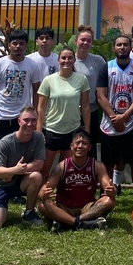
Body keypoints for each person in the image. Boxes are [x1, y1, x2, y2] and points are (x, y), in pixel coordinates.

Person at [97, 34, 133, 201]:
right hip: (109, 124)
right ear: (114, 48)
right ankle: (106, 196)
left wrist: (125, 116)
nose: (122, 47)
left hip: (132, 123)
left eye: (125, 44)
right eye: (118, 44)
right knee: (107, 164)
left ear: (130, 46)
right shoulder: (106, 67)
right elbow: (100, 96)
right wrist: (114, 118)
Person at [0, 29, 43, 174]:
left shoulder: (32, 65)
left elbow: (36, 91)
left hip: (21, 118)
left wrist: (34, 115)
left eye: (21, 44)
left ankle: (15, 189)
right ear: (9, 45)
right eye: (14, 43)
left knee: (21, 154)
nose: (18, 47)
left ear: (25, 46)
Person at [37, 129, 116, 231]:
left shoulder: (97, 166)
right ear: (71, 146)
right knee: (43, 205)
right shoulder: (61, 167)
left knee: (109, 201)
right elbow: (42, 193)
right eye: (77, 143)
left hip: (87, 208)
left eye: (84, 143)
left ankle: (67, 222)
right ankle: (82, 224)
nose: (80, 146)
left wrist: (112, 191)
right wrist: (42, 194)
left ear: (89, 147)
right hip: (64, 207)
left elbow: (109, 188)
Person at [0, 106, 46, 229]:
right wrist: (13, 170)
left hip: (18, 181)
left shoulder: (38, 137)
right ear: (19, 121)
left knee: (36, 176)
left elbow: (39, 163)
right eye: (26, 120)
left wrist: (17, 171)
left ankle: (29, 213)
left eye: (33, 120)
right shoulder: (5, 142)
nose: (30, 124)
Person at [36, 47, 91, 178]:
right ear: (58, 60)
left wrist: (87, 129)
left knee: (65, 170)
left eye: (70, 58)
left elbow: (85, 106)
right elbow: (41, 107)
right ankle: (41, 197)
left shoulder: (82, 79)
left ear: (74, 60)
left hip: (72, 130)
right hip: (51, 130)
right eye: (63, 58)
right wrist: (38, 130)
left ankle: (61, 198)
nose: (66, 61)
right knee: (45, 169)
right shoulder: (48, 80)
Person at [73, 25, 107, 159]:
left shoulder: (98, 61)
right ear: (76, 41)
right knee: (72, 145)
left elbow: (104, 84)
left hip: (91, 110)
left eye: (89, 40)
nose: (85, 43)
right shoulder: (69, 59)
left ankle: (90, 176)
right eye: (83, 40)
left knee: (89, 144)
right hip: (72, 110)